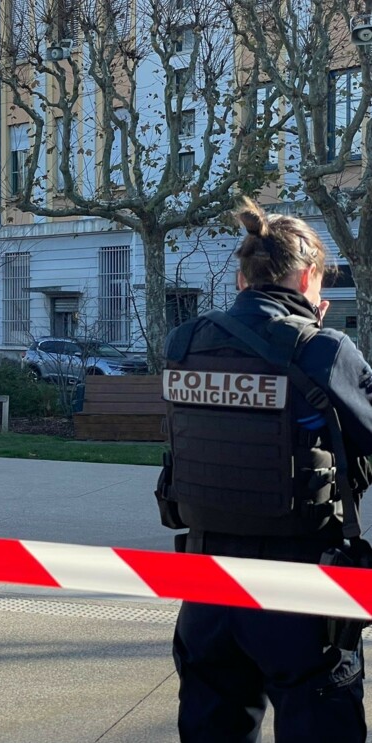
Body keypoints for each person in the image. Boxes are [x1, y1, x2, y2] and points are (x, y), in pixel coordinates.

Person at [156, 198, 372, 742]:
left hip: (205, 588)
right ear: (307, 277)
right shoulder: (322, 348)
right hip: (299, 589)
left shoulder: (185, 343)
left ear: (240, 277)